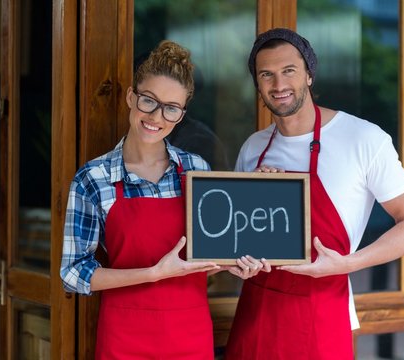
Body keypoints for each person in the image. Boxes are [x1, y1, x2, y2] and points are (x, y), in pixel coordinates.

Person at [225, 28, 404, 359]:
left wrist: (347, 264)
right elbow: (242, 241)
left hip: (321, 318)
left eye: (289, 71)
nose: (279, 85)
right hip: (256, 317)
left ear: (309, 75)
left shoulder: (363, 139)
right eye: (267, 75)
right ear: (258, 84)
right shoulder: (253, 148)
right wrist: (241, 261)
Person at [60, 40, 262, 360]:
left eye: (171, 107)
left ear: (181, 115)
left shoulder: (197, 171)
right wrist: (154, 273)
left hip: (189, 336)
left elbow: (197, 261)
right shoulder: (93, 179)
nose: (157, 116)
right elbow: (73, 273)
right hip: (123, 340)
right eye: (148, 101)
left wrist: (231, 265)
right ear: (131, 97)